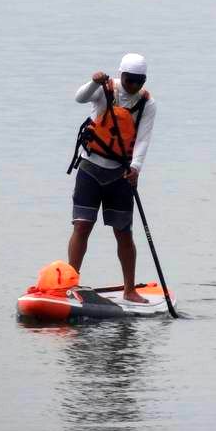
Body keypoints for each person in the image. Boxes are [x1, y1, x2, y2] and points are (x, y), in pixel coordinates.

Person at [67, 52, 157, 303]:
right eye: (130, 80)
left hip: (120, 174)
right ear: (121, 75)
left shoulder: (148, 104)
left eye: (140, 81)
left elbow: (143, 139)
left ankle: (130, 290)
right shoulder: (104, 90)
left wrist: (136, 168)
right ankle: (71, 284)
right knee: (82, 225)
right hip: (90, 168)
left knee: (123, 232)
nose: (135, 86)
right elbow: (79, 98)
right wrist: (94, 81)